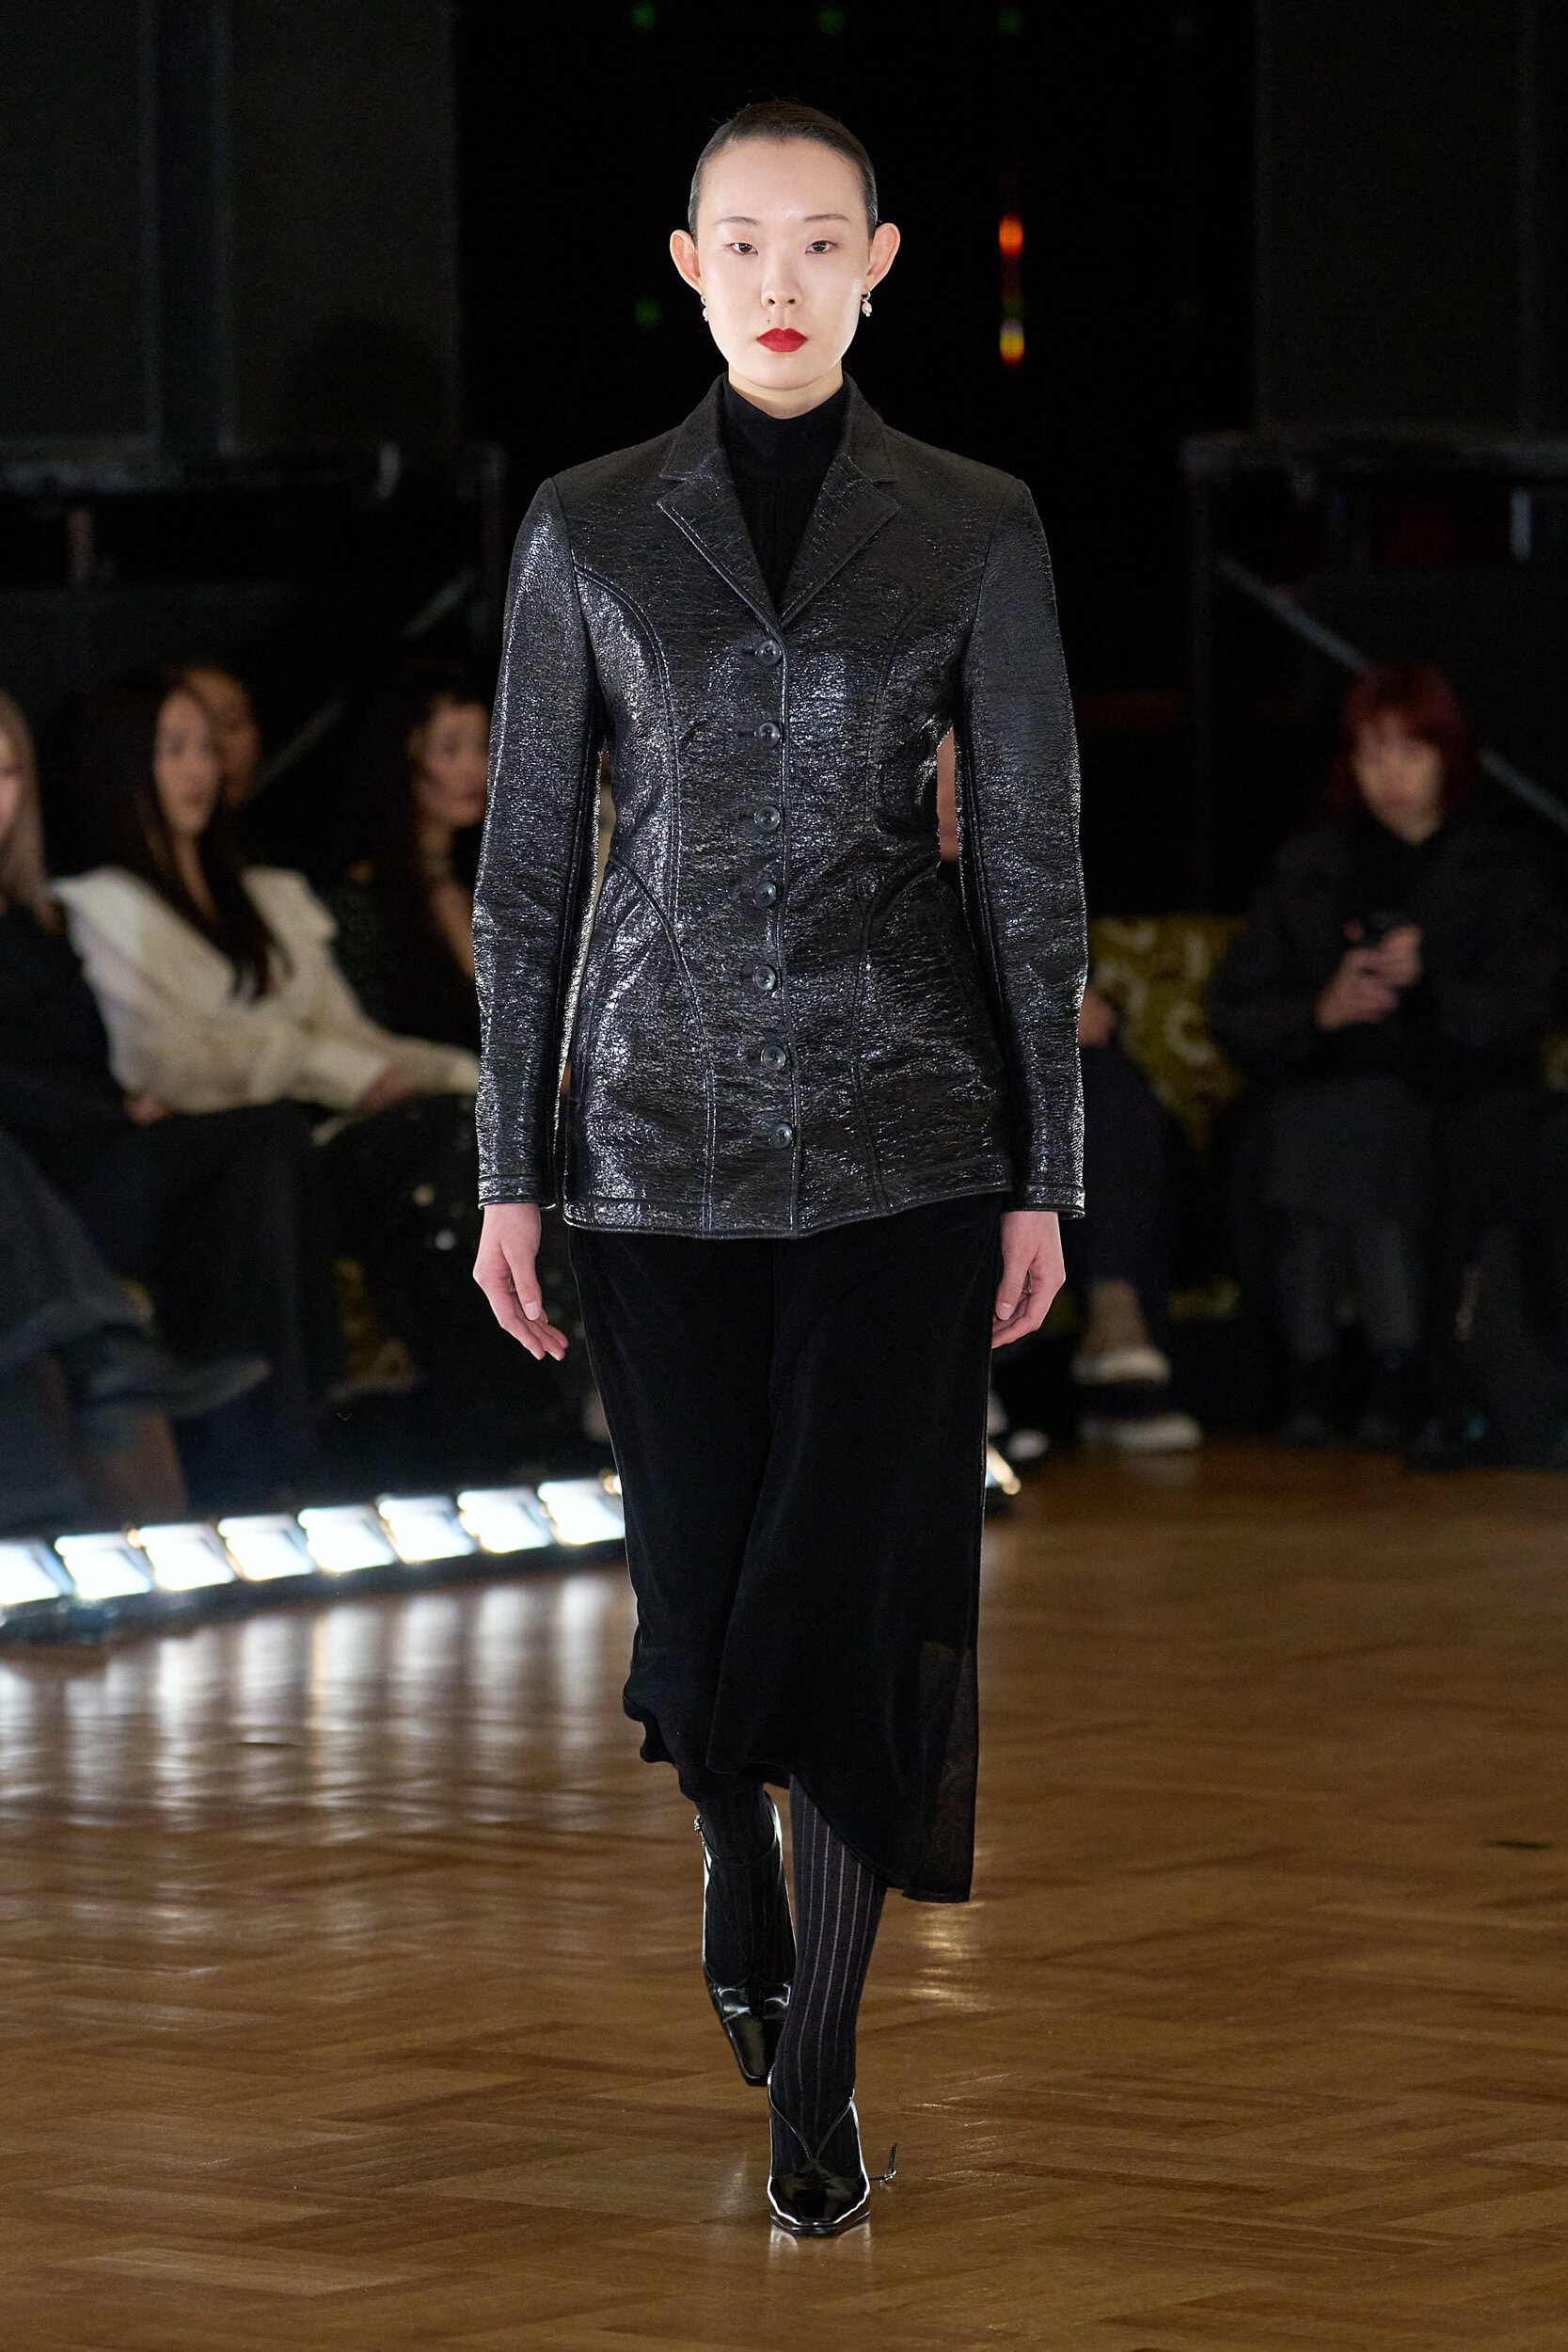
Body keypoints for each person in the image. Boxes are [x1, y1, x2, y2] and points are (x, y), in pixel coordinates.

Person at [471, 103, 1085, 2235]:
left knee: (855, 1598)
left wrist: (1045, 1170)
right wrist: (507, 1168)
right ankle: (726, 1848)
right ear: (686, 263)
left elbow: (1029, 860)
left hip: (905, 1134)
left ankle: (816, 2078)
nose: (782, 277)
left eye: (821, 240)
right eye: (743, 241)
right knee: (707, 1583)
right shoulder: (587, 525)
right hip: (652, 1141)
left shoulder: (975, 522)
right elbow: (527, 871)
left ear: (883, 261)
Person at [1209, 661, 1559, 1452]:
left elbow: (1528, 1006)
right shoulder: (1311, 868)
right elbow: (1236, 1005)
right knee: (1313, 1124)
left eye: (1408, 751)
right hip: (1324, 1085)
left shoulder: (1500, 870)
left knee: (1364, 1127)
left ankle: (1358, 1372)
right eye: (1370, 754)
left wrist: (1427, 986)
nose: (1388, 775)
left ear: (1446, 757)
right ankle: (1346, 1372)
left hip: (1449, 1090)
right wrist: (1322, 1009)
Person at [0, 683, 328, 1500]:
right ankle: (123, 1369)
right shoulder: (80, 909)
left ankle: (277, 1448)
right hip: (35, 1173)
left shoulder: (31, 919)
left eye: (5, 773)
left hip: (86, 1161)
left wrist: (118, 1106)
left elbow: (78, 1054)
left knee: (262, 1140)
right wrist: (108, 1107)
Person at [326, 662, 489, 1051]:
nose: (475, 768)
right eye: (450, 749)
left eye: (483, 746)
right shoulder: (360, 905)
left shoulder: (489, 878)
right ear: (402, 756)